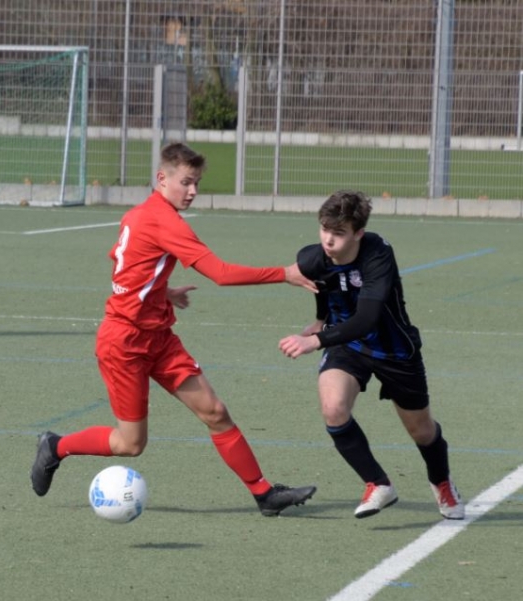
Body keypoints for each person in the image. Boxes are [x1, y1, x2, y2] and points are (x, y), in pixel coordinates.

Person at [31, 143, 319, 517]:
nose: (193, 191)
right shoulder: (164, 221)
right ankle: (55, 446)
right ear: (161, 179)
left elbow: (124, 266)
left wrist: (161, 292)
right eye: (186, 182)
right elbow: (220, 273)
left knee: (215, 411)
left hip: (159, 336)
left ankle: (264, 495)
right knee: (130, 443)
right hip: (124, 342)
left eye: (197, 183)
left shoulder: (139, 215)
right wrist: (285, 274)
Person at [278, 190, 464, 520]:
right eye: (324, 229)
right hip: (346, 346)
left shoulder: (378, 255)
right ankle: (378, 484)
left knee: (421, 430)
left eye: (338, 234)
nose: (328, 241)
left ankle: (441, 481)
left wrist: (316, 340)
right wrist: (322, 318)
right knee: (333, 407)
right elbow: (321, 283)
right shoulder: (313, 256)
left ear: (358, 234)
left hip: (394, 348)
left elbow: (367, 320)